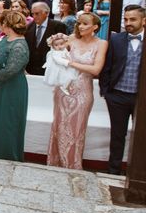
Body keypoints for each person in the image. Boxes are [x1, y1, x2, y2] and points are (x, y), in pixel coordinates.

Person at [46, 13, 108, 170]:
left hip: (83, 92)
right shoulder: (71, 39)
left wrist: (69, 63)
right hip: (63, 91)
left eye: (85, 24)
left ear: (95, 27)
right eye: (79, 23)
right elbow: (54, 52)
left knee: (77, 130)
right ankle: (55, 163)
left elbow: (96, 69)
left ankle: (72, 165)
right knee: (59, 126)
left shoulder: (101, 44)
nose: (81, 26)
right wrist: (53, 46)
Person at [100, 5, 145, 175]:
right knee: (117, 136)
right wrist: (106, 92)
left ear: (144, 20)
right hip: (117, 96)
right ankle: (114, 171)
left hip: (142, 99)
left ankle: (138, 173)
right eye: (125, 19)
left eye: (132, 19)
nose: (128, 23)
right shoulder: (117, 39)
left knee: (142, 137)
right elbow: (107, 66)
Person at [0, 10, 30, 161]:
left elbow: (11, 70)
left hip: (11, 89)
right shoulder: (5, 39)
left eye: (1, 23)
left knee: (7, 124)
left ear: (8, 25)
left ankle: (5, 156)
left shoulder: (20, 45)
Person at [25, 2, 68, 75]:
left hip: (50, 70)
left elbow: (63, 49)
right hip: (31, 70)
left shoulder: (58, 26)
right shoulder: (29, 27)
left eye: (37, 13)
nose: (34, 16)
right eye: (33, 14)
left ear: (47, 13)